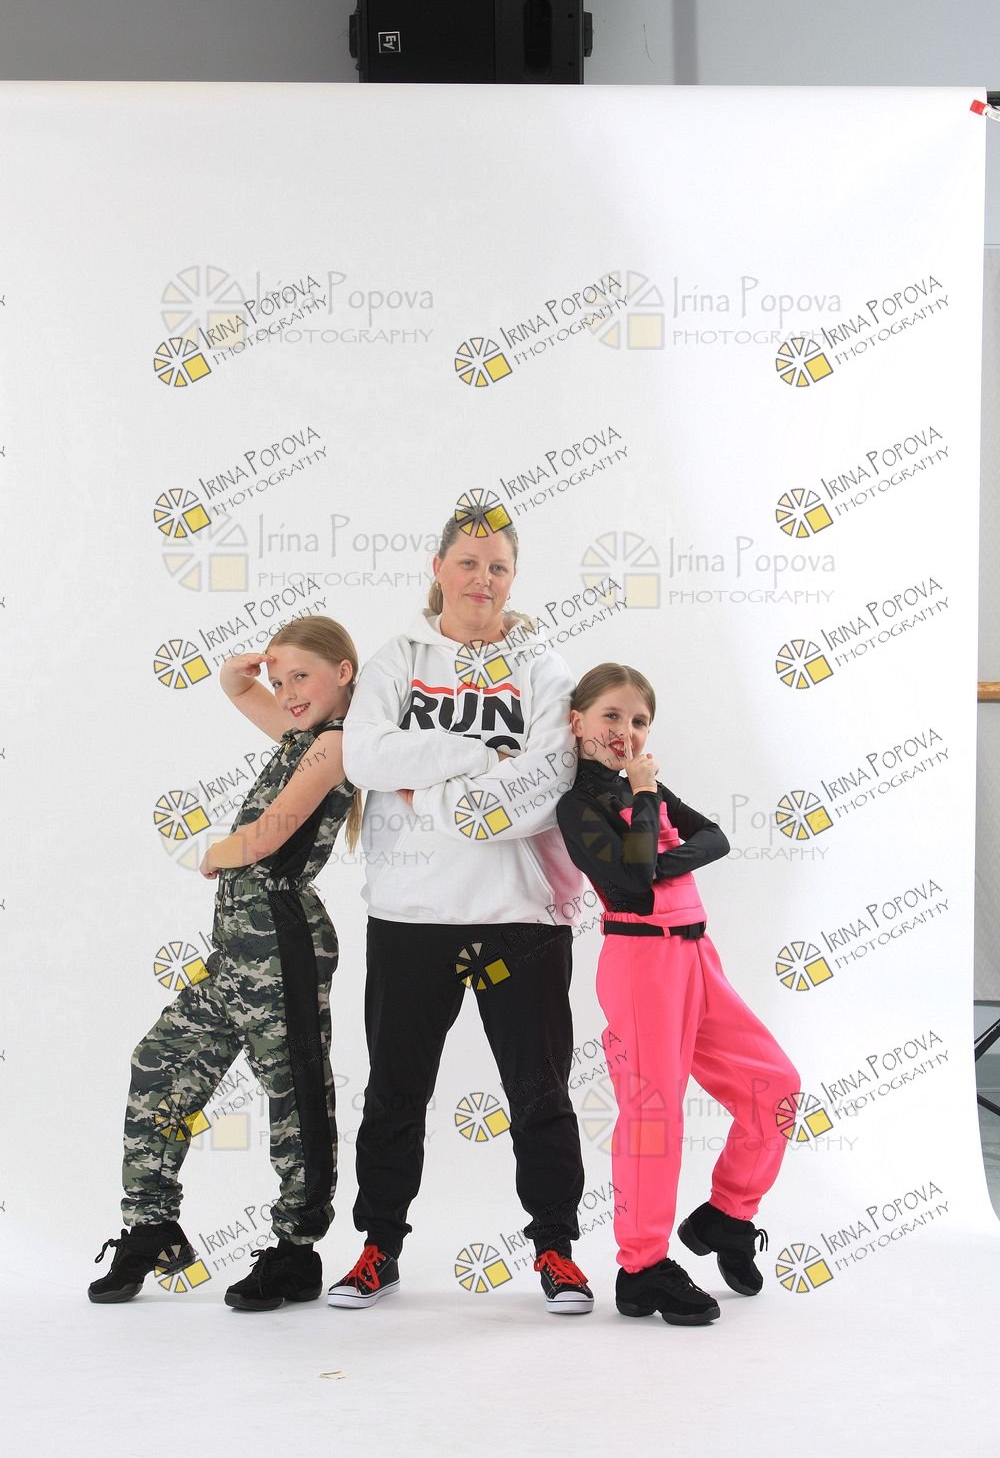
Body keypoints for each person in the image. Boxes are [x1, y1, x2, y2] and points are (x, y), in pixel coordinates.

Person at [326, 509, 595, 1314]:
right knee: (394, 1093)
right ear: (438, 566)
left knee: (539, 1093)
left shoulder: (542, 667)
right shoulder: (398, 660)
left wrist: (431, 795)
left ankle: (556, 1249)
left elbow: (544, 789)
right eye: (470, 562)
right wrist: (483, 756)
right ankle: (378, 1247)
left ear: (514, 578)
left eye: (499, 566)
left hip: (521, 918)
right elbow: (364, 754)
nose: (483, 578)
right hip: (410, 916)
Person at [88, 617, 361, 1312]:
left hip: (283, 942)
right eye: (281, 679)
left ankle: (296, 1250)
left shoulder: (338, 744)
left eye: (302, 676)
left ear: (344, 673)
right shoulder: (301, 735)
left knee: (293, 1093)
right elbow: (242, 692)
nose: (287, 692)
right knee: (159, 1060)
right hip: (237, 952)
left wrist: (219, 851)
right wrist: (248, 670)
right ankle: (151, 1225)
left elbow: (270, 834)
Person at [555, 663, 800, 1325]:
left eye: (639, 720)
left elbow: (715, 837)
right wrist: (646, 802)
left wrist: (653, 830)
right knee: (653, 1116)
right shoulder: (580, 807)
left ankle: (728, 1215)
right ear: (576, 722)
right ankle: (641, 1268)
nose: (626, 731)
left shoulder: (645, 790)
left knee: (775, 1087)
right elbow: (634, 886)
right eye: (611, 716)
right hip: (642, 967)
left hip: (697, 956)